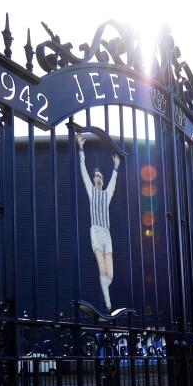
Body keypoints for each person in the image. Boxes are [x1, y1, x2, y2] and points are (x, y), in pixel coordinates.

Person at [77, 133, 120, 312]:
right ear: (94, 181)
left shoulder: (106, 194)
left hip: (106, 233)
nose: (98, 178)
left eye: (100, 176)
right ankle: (108, 304)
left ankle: (105, 292)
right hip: (95, 230)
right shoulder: (91, 192)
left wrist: (116, 167)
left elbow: (113, 182)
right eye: (96, 177)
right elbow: (83, 170)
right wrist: (81, 149)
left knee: (110, 273)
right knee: (102, 267)